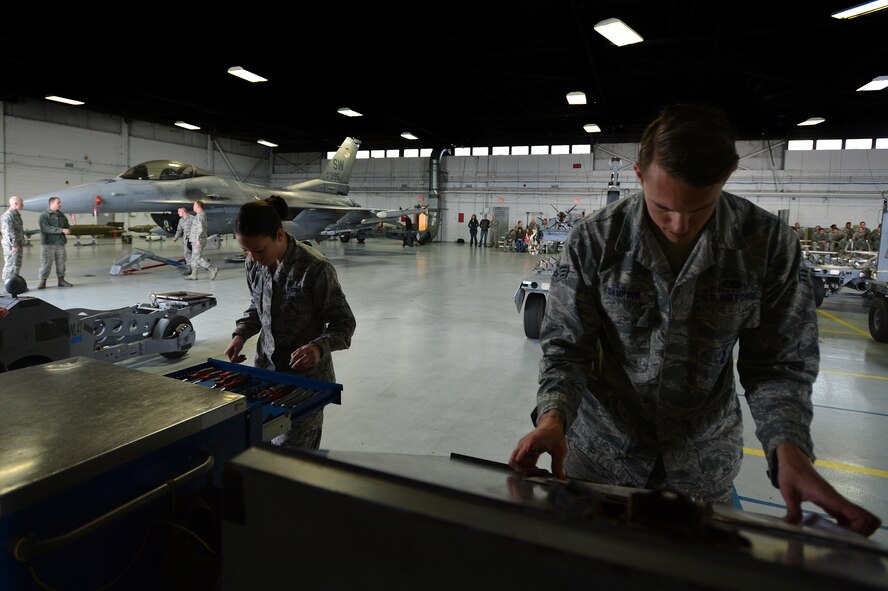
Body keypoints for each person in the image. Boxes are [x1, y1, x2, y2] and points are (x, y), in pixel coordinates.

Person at [508, 104, 880, 536]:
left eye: (700, 209)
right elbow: (568, 349)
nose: (680, 225)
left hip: (702, 467)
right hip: (600, 457)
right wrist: (554, 418)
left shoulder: (767, 245)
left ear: (725, 179)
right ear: (639, 175)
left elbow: (779, 365)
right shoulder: (596, 240)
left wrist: (788, 447)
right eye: (663, 207)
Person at [223, 201, 356, 450]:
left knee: (296, 459)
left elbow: (344, 323)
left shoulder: (315, 268)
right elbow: (257, 306)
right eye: (246, 251)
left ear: (279, 235)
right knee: (261, 445)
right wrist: (241, 334)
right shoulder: (253, 262)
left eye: (259, 250)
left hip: (305, 382)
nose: (252, 258)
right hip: (265, 373)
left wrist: (318, 348)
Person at [37, 196, 72, 288]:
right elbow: (45, 228)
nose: (60, 204)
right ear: (51, 203)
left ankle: (61, 280)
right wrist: (61, 230)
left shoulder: (61, 215)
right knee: (46, 263)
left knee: (61, 262)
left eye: (60, 202)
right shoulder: (44, 215)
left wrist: (68, 229)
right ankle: (43, 281)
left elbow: (67, 225)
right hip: (48, 244)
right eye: (58, 203)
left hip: (60, 243)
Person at [186, 200, 218, 280]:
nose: (193, 207)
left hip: (198, 240)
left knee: (197, 257)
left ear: (198, 206)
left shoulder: (200, 215)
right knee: (194, 257)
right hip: (195, 240)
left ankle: (212, 269)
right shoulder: (198, 215)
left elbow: (200, 229)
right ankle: (194, 274)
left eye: (194, 205)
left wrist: (197, 239)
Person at [1, 196, 25, 285]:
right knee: (11, 265)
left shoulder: (16, 214)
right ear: (15, 204)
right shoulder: (8, 216)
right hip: (11, 245)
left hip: (17, 243)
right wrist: (14, 245)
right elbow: (9, 232)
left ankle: (14, 284)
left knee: (16, 265)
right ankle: (8, 285)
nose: (23, 204)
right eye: (21, 203)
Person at [171, 206, 194, 275]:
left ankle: (207, 266)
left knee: (193, 254)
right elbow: (179, 230)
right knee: (187, 253)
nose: (178, 213)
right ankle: (190, 268)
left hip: (193, 239)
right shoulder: (181, 220)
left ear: (183, 211)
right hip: (186, 239)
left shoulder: (192, 218)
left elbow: (198, 228)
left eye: (179, 211)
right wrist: (175, 238)